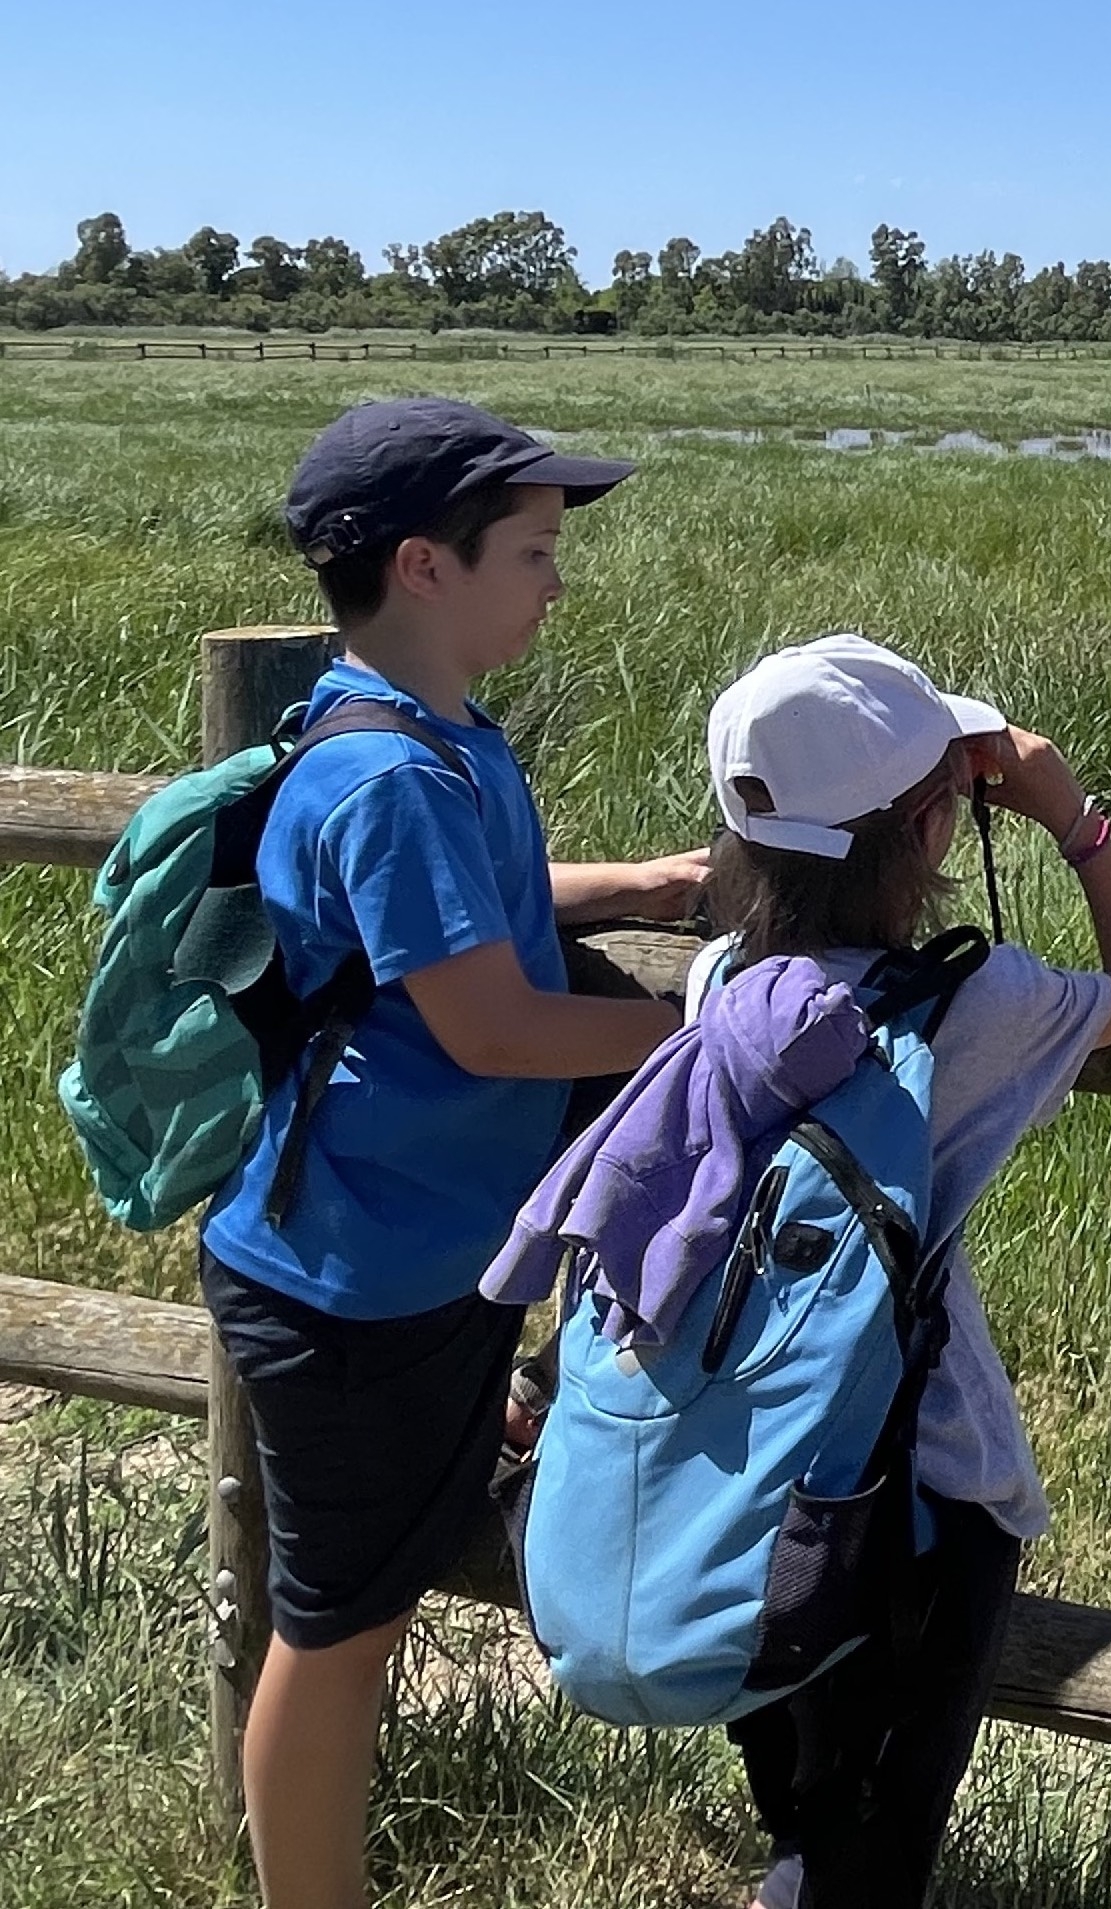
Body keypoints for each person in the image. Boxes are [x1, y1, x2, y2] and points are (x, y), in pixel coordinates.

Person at [200, 398, 704, 1909]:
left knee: (351, 1610)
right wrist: (708, 1044)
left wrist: (646, 883)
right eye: (534, 551)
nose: (557, 580)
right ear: (425, 565)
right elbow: (488, 1024)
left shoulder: (409, 729)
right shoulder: (398, 773)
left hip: (398, 1241)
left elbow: (465, 901)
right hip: (360, 1274)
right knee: (338, 1630)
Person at [668, 635, 1111, 1909]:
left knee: (802, 1800)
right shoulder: (971, 1004)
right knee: (873, 1847)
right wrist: (1073, 822)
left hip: (748, 1467)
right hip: (917, 1482)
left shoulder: (718, 979)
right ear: (925, 829)